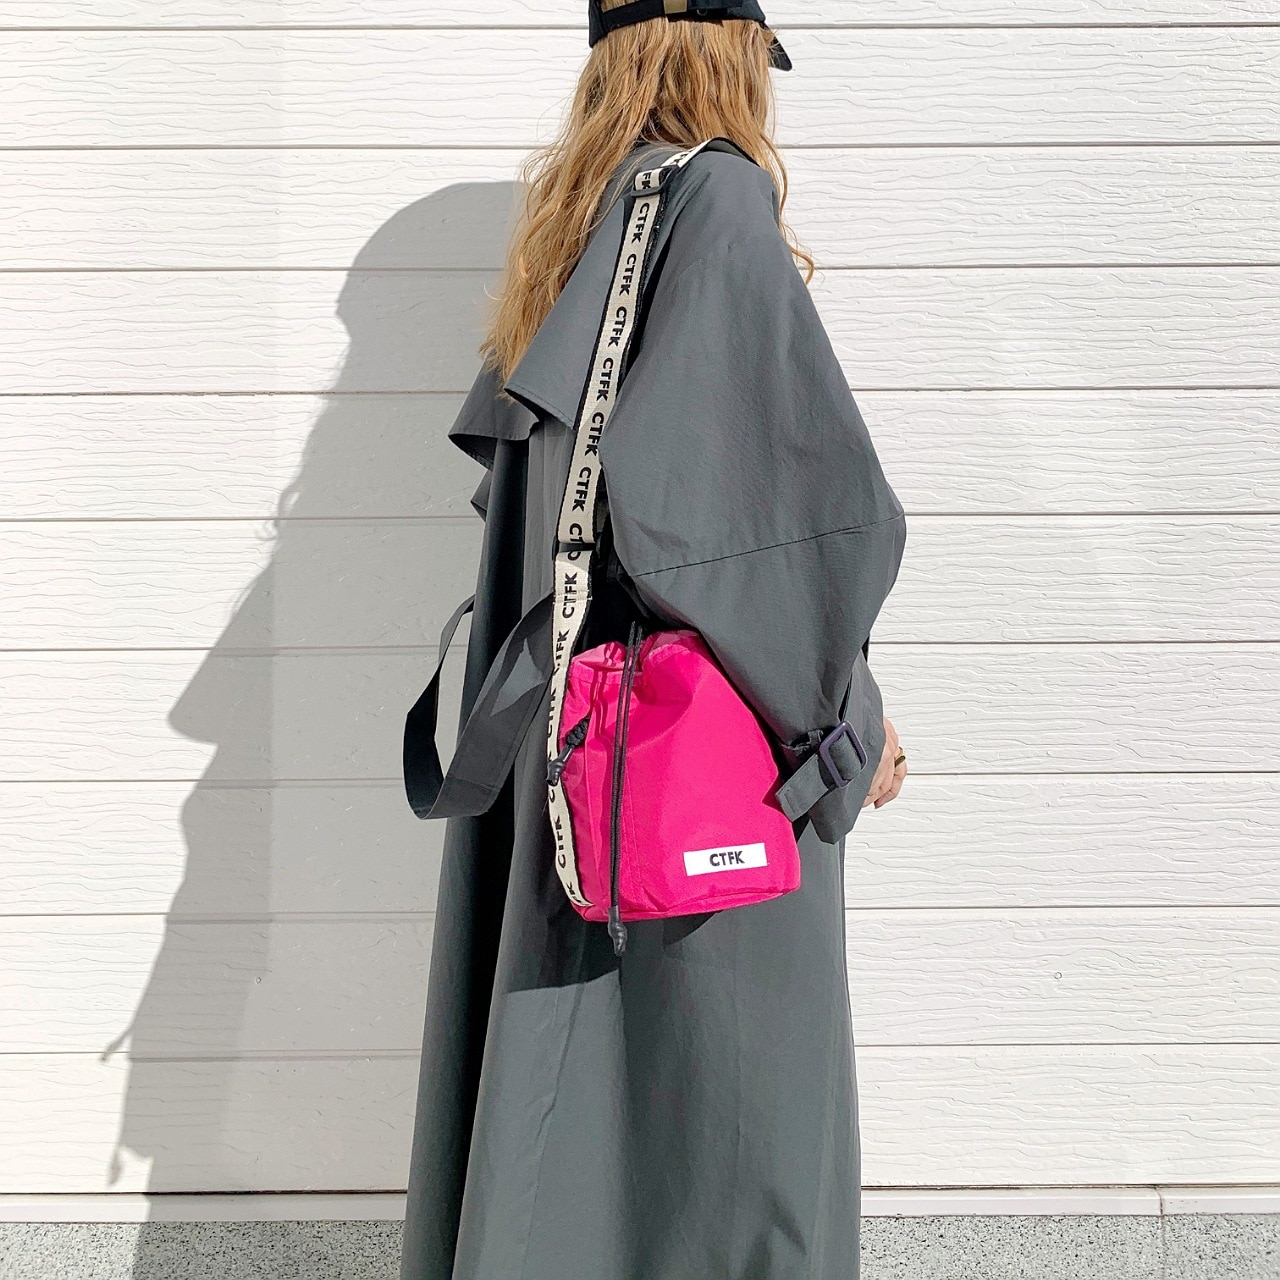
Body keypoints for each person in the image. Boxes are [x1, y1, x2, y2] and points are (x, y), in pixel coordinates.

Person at [399, 2, 909, 1277]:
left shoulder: (581, 224)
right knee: (735, 1120)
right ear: (728, 50)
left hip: (570, 749)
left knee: (576, 1102)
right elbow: (751, 523)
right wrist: (841, 727)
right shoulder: (714, 201)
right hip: (703, 763)